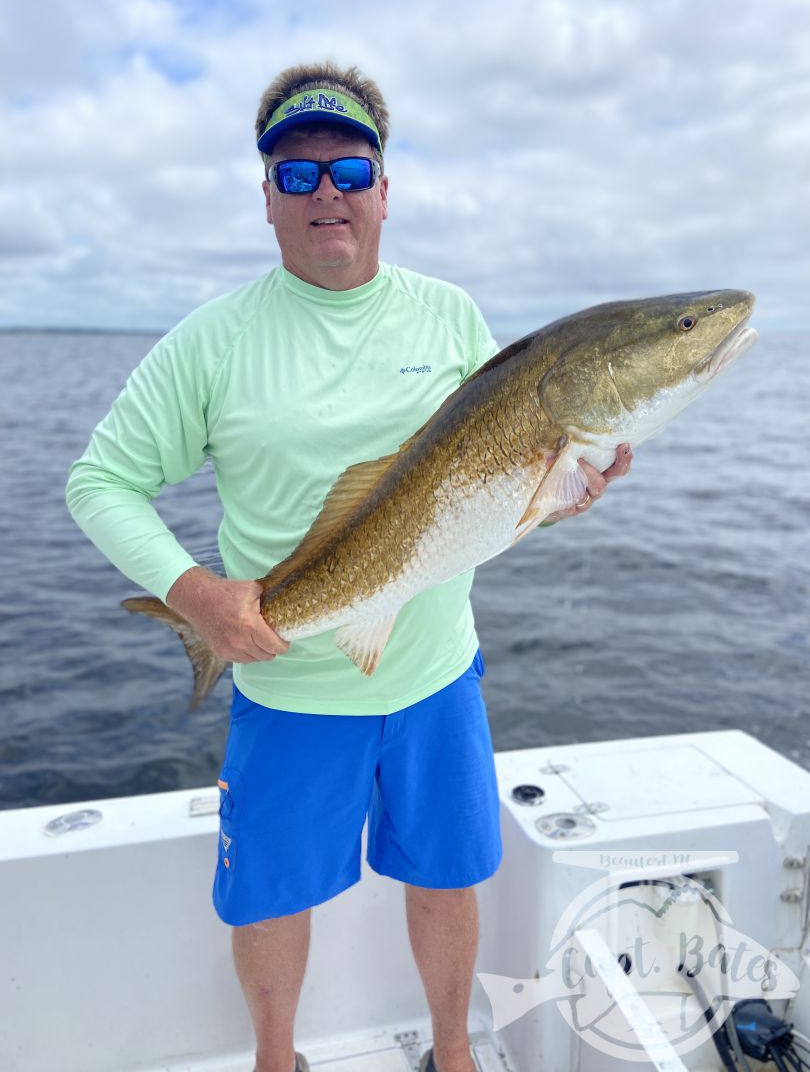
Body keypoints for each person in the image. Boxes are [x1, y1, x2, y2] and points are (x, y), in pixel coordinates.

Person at [66, 62, 632, 1072]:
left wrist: (558, 501)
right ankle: (276, 1060)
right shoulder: (213, 341)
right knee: (274, 894)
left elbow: (485, 501)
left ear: (383, 190)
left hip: (436, 674)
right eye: (298, 175)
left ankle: (452, 1053)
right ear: (270, 203)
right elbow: (100, 481)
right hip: (287, 683)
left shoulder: (452, 317)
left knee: (449, 875)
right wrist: (198, 596)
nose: (326, 191)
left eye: (349, 168)